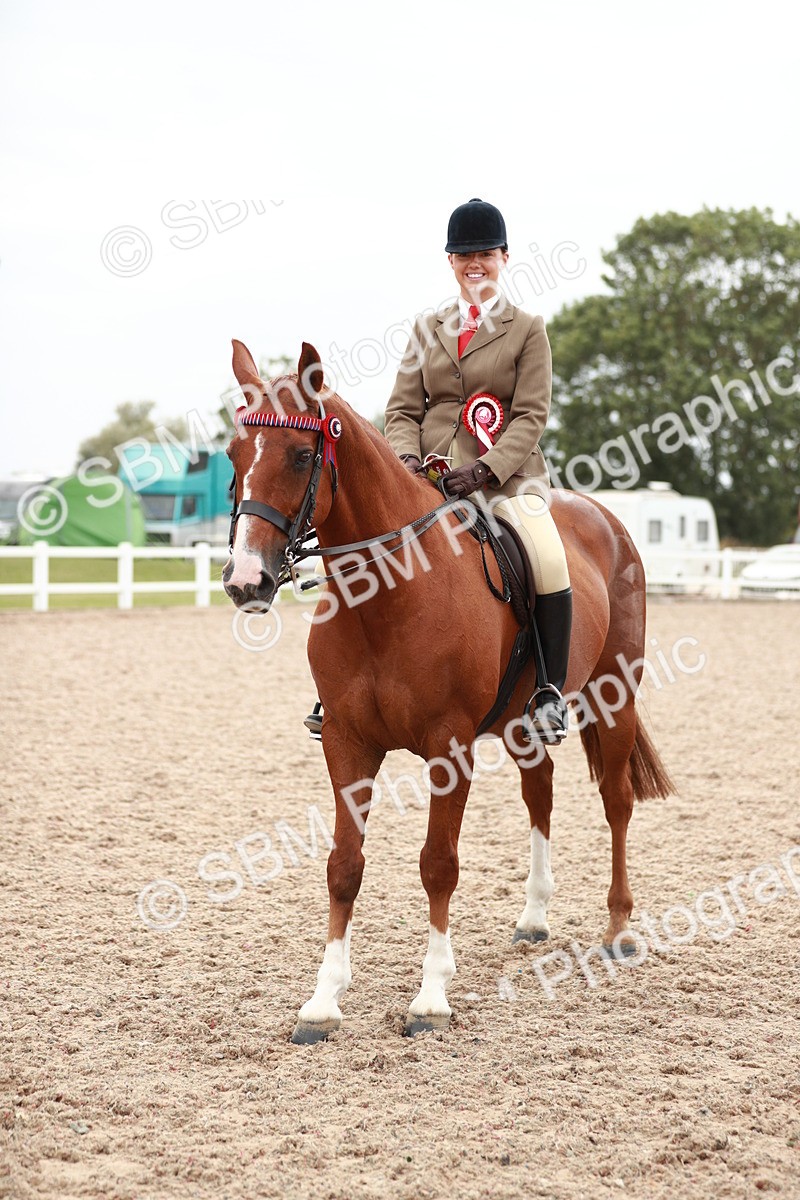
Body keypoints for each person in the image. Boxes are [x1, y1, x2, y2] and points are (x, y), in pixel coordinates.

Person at [383, 198, 572, 741]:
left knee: (548, 556)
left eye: (484, 253)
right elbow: (401, 410)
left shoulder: (528, 329)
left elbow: (532, 414)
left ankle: (549, 693)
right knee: (371, 550)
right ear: (450, 261)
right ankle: (344, 689)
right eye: (464, 254)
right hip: (427, 480)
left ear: (504, 257)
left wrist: (486, 470)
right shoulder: (427, 328)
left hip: (507, 481)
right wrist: (406, 459)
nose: (475, 263)